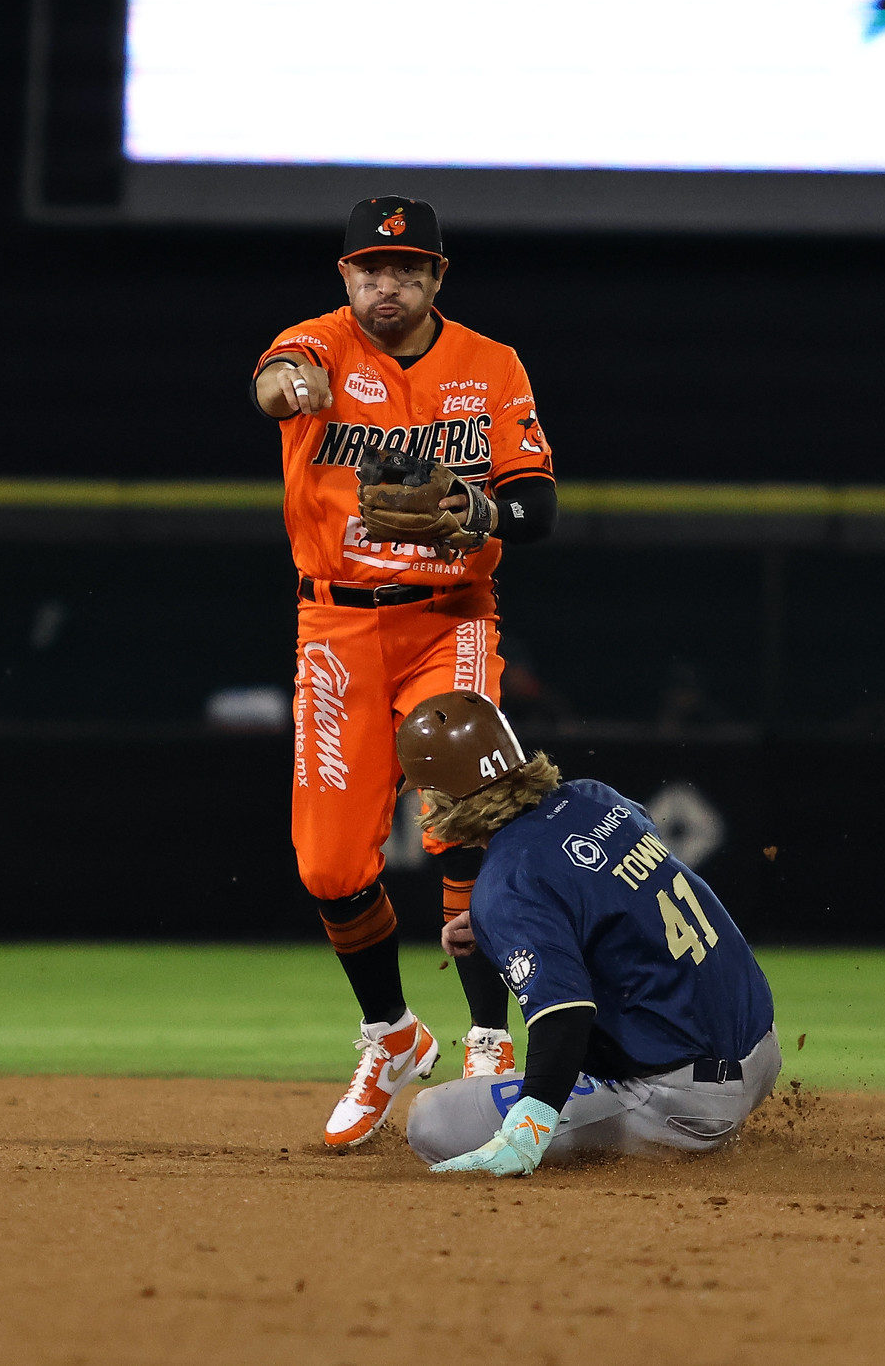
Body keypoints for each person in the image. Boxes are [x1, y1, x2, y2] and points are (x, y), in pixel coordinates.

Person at [251, 197, 558, 1147]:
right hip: (335, 626)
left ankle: (485, 1041)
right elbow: (275, 379)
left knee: (464, 810)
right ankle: (389, 1036)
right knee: (330, 867)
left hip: (447, 619)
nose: (388, 286)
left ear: (436, 279)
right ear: (345, 277)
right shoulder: (320, 344)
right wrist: (293, 390)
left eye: (408, 271)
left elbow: (536, 508)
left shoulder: (489, 363)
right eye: (371, 271)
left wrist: (473, 514)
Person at [394, 691, 780, 1175]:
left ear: (448, 793)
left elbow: (565, 1017)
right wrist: (517, 921)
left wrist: (528, 1128)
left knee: (431, 1119)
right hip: (760, 1046)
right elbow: (620, 893)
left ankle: (667, 1136)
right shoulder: (595, 797)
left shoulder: (508, 879)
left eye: (427, 789)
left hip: (686, 1098)